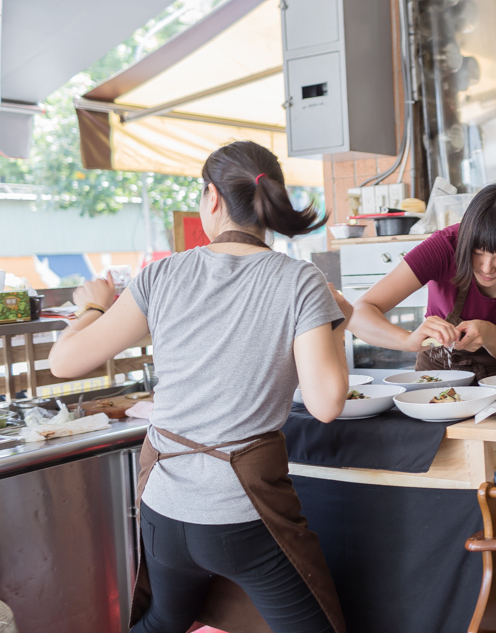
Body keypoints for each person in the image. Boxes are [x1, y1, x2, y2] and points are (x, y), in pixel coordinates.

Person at [49, 140, 350, 633]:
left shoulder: (161, 275)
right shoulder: (300, 281)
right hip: (242, 513)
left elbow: (64, 362)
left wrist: (93, 305)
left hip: (163, 508)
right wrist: (336, 324)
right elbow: (326, 404)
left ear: (211, 198)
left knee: (166, 621)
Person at [348, 181, 496, 380]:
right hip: (439, 374)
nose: (487, 267)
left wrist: (489, 335)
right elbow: (359, 313)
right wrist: (407, 340)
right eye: (477, 252)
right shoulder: (445, 246)